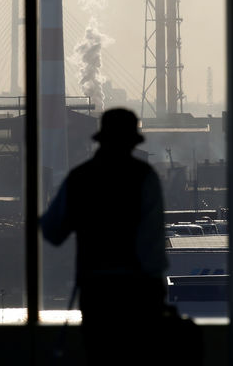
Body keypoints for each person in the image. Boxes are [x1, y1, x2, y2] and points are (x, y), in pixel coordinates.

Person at [40, 108, 169, 363]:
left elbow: (53, 232)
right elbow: (153, 240)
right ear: (133, 141)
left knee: (102, 355)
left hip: (97, 290)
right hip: (140, 291)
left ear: (102, 139)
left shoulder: (80, 178)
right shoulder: (145, 177)